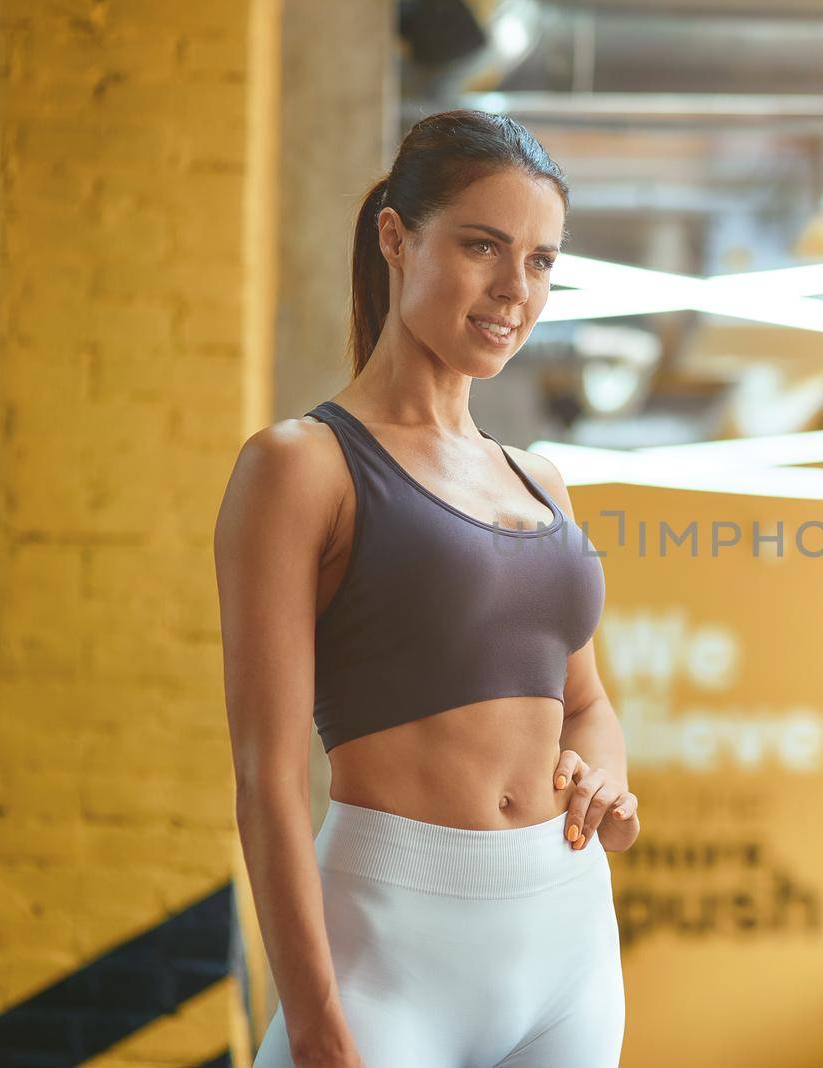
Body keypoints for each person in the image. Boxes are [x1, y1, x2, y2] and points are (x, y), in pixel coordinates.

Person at [214, 109, 637, 1068]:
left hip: (567, 941)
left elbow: (587, 704)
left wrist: (602, 776)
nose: (512, 291)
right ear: (396, 237)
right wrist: (316, 1019)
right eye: (483, 247)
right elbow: (266, 777)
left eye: (540, 262)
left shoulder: (541, 482)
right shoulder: (302, 466)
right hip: (388, 952)